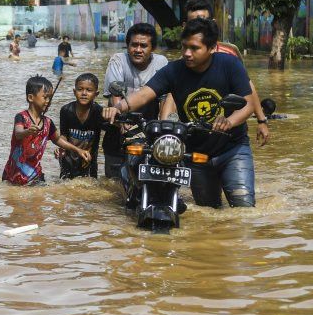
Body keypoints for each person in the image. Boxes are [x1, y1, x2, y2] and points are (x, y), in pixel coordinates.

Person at [104, 18, 256, 208]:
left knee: (244, 209)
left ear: (212, 48)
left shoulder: (230, 65)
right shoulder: (174, 70)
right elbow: (143, 95)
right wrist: (117, 109)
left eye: (194, 48)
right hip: (196, 153)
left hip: (233, 149)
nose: (187, 53)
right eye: (184, 47)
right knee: (209, 211)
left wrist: (229, 121)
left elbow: (248, 104)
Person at [162, 0, 270, 147]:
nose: (200, 26)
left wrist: (261, 120)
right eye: (194, 22)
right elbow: (172, 96)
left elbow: (248, 88)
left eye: (204, 21)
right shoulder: (184, 60)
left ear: (213, 22)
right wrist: (165, 130)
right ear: (185, 26)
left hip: (229, 132)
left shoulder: (230, 54)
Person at [101, 22, 169, 178]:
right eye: (134, 45)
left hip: (151, 129)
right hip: (118, 125)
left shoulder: (161, 63)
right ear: (128, 46)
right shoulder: (118, 60)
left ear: (152, 48)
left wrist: (165, 127)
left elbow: (166, 98)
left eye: (143, 46)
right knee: (113, 185)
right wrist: (123, 123)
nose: (138, 50)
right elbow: (115, 97)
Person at [2, 75, 92, 186]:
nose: (48, 101)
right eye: (45, 97)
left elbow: (58, 140)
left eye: (50, 98)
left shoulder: (48, 123)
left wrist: (78, 150)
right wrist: (28, 131)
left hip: (35, 175)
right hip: (13, 175)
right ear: (31, 98)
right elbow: (18, 133)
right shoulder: (21, 117)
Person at [55, 73, 118, 179]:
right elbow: (63, 135)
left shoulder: (99, 112)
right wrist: (61, 147)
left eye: (89, 90)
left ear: (96, 94)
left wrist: (118, 120)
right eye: (80, 89)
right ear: (74, 92)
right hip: (68, 161)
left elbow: (113, 130)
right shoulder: (66, 110)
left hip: (89, 162)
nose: (84, 93)